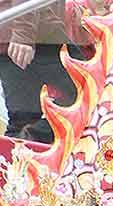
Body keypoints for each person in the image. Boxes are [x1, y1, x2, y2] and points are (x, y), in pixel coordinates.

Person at [0, 0, 79, 144]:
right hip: (34, 34)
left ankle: (25, 143)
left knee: (22, 120)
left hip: (15, 35)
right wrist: (23, 34)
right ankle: (28, 139)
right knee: (90, 91)